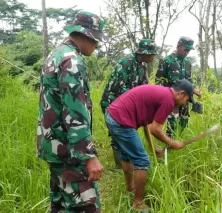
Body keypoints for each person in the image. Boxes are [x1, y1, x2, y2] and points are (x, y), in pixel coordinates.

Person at [36, 11, 107, 213]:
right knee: (86, 206)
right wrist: (88, 156)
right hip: (69, 152)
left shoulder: (56, 55)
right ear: (85, 35)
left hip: (53, 145)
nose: (97, 45)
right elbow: (74, 113)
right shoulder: (72, 61)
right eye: (95, 40)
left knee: (60, 204)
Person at [105, 79, 195, 211]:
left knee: (127, 155)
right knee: (142, 161)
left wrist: (154, 149)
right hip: (120, 120)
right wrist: (172, 142)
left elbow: (148, 126)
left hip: (113, 115)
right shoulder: (168, 100)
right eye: (187, 100)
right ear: (181, 94)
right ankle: (138, 203)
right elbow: (155, 130)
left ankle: (130, 188)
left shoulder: (162, 94)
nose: (185, 103)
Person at [100, 39, 158, 169]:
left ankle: (125, 160)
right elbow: (118, 88)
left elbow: (143, 87)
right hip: (113, 102)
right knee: (118, 133)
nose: (153, 57)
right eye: (152, 54)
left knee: (127, 130)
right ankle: (120, 166)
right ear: (145, 53)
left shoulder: (142, 65)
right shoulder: (126, 62)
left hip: (129, 105)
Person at [155, 36, 201, 138]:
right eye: (186, 49)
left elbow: (188, 80)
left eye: (189, 50)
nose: (187, 52)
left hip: (184, 98)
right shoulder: (167, 61)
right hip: (171, 98)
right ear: (179, 46)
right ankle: (169, 145)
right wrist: (161, 97)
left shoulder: (188, 63)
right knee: (172, 123)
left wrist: (193, 90)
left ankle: (179, 142)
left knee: (184, 121)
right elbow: (159, 80)